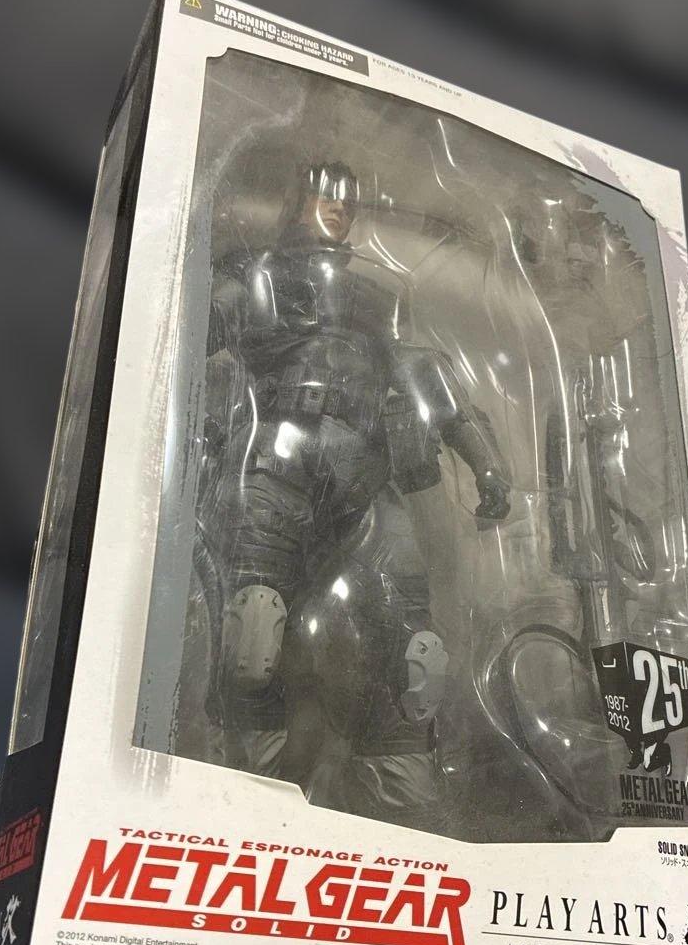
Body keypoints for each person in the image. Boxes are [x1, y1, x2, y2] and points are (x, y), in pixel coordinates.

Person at [197, 161, 511, 829]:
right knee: (252, 636)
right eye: (323, 195)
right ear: (295, 201)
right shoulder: (256, 275)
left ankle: (408, 817)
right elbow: (192, 334)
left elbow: (426, 376)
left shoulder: (374, 297)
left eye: (347, 201)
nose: (337, 209)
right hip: (274, 467)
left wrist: (486, 464)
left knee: (415, 657)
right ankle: (246, 811)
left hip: (367, 480)